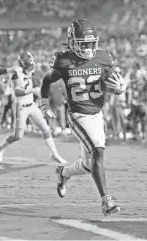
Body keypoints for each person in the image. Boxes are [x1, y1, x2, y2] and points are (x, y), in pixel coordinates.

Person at [40, 19, 126, 216]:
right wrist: (44, 103)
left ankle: (63, 173)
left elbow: (112, 82)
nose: (88, 48)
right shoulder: (64, 60)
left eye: (90, 43)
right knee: (98, 151)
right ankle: (106, 201)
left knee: (88, 165)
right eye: (83, 43)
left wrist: (120, 88)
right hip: (78, 115)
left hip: (97, 114)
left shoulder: (103, 57)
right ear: (72, 41)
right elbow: (47, 79)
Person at [0, 52, 67, 165]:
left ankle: (54, 154)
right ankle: (0, 147)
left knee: (46, 129)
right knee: (17, 136)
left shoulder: (29, 70)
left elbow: (38, 77)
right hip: (21, 107)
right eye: (28, 66)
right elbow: (17, 92)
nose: (30, 68)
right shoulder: (16, 73)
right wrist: (31, 90)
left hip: (32, 105)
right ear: (22, 65)